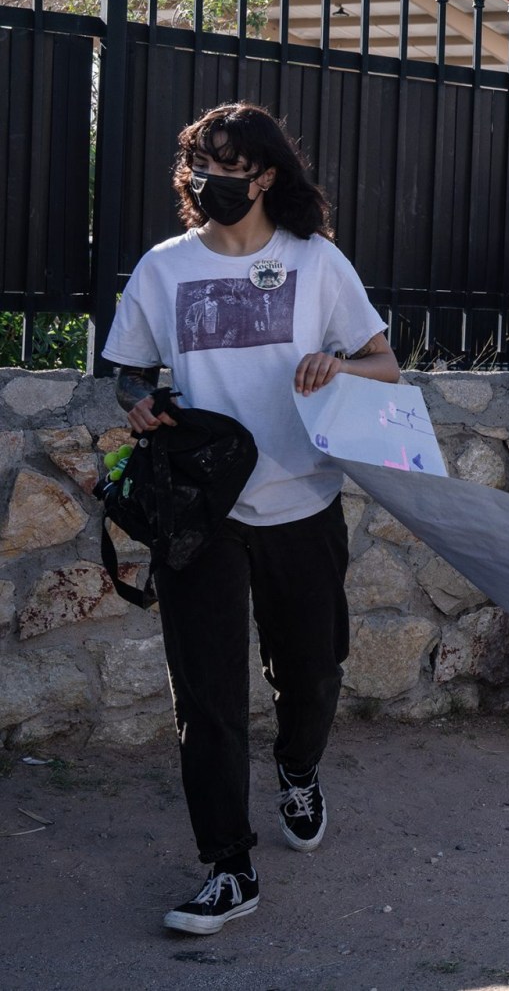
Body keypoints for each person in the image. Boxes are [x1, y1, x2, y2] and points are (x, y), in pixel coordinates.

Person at [101, 103, 400, 935]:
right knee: (206, 694)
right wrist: (140, 406)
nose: (209, 181)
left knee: (312, 671)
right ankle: (228, 865)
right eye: (198, 163)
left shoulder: (315, 261)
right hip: (201, 507)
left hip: (302, 498)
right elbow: (126, 374)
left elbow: (387, 363)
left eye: (227, 166)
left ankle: (298, 767)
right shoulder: (162, 269)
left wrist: (337, 362)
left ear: (266, 176)